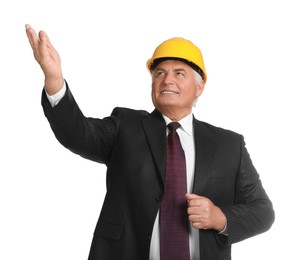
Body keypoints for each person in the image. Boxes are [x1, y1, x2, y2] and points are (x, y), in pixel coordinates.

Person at [25, 24, 275, 260]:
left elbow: (263, 211)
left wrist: (220, 217)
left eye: (180, 74)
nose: (167, 80)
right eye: (160, 73)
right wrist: (55, 81)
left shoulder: (228, 145)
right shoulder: (126, 126)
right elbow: (77, 133)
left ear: (199, 87)